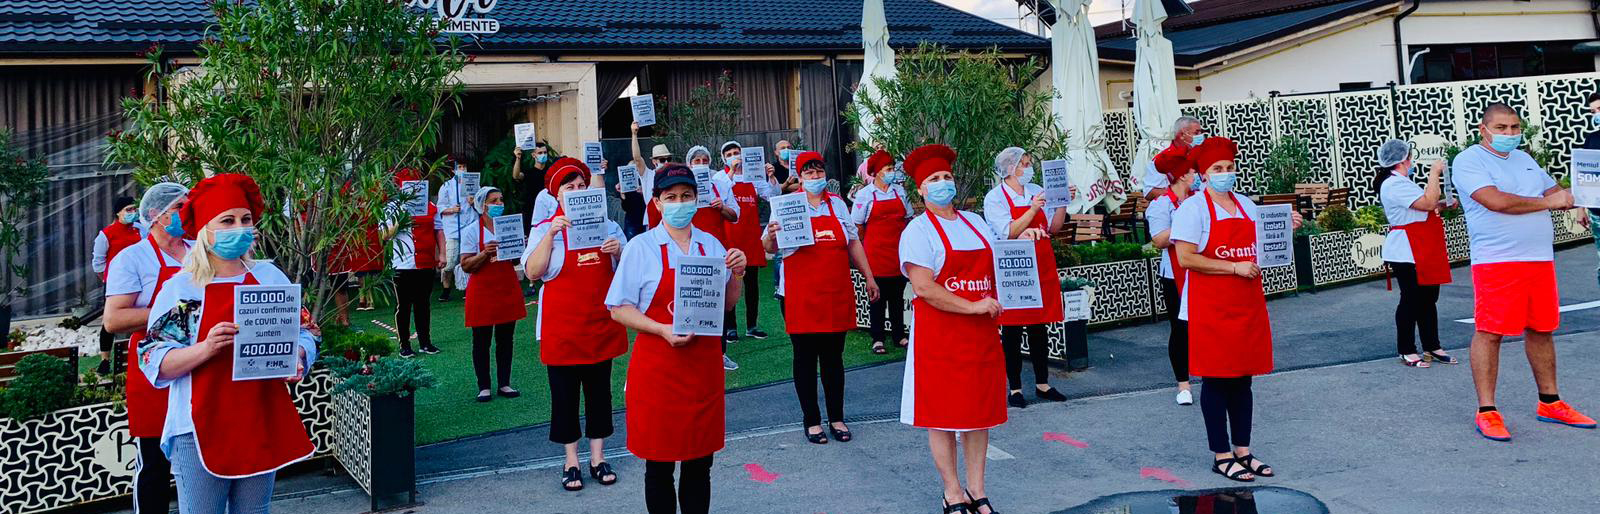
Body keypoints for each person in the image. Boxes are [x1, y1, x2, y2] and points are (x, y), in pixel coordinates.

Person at [138, 173, 318, 513]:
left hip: (259, 417)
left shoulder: (269, 277)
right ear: (205, 230)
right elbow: (153, 359)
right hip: (197, 427)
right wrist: (205, 348)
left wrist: (298, 354)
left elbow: (307, 331)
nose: (240, 227)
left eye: (245, 219)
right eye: (227, 220)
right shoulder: (183, 290)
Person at [605, 163, 747, 514]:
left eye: (686, 196)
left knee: (700, 463)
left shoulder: (710, 245)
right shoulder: (641, 247)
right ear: (656, 202)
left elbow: (727, 304)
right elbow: (618, 309)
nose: (680, 203)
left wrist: (738, 274)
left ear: (697, 199)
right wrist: (660, 329)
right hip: (658, 370)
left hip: (702, 371)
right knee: (659, 465)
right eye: (671, 197)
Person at [1452, 103, 1595, 441]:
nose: (1510, 134)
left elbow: (1555, 192)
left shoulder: (1525, 159)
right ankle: (1487, 410)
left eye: (1515, 128)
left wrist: (1583, 193)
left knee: (1542, 329)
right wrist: (1549, 202)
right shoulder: (1469, 160)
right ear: (1483, 129)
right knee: (1490, 331)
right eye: (1502, 128)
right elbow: (1496, 201)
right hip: (1497, 261)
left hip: (1539, 259)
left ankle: (1550, 402)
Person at [1171, 137, 1299, 483]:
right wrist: (1232, 267)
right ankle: (1221, 455)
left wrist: (1284, 227)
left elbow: (1263, 247)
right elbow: (1185, 258)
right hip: (1210, 306)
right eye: (1217, 169)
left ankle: (1243, 450)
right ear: (1203, 174)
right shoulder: (1192, 209)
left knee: (1243, 379)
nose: (1225, 173)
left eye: (1229, 167)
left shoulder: (1246, 205)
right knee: (1216, 380)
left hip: (1246, 303)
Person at [896, 144, 1006, 514]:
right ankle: (952, 492)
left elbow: (998, 266)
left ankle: (977, 490)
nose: (943, 183)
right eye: (934, 179)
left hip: (981, 335)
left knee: (978, 414)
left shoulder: (976, 223)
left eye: (946, 176)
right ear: (921, 189)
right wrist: (972, 305)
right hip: (940, 336)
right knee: (941, 415)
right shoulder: (917, 231)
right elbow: (924, 287)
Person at [524, 158, 628, 492]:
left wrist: (618, 251)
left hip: (598, 323)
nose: (578, 191)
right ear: (557, 195)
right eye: (570, 187)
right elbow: (532, 272)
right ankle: (571, 461)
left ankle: (598, 458)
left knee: (600, 393)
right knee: (565, 396)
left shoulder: (608, 226)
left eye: (582, 186)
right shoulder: (544, 229)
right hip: (562, 327)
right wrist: (551, 233)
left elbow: (626, 271)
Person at [761, 150, 878, 445]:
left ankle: (836, 417)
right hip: (799, 294)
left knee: (833, 358)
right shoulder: (787, 204)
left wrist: (868, 276)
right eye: (809, 172)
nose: (815, 177)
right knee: (804, 358)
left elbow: (853, 242)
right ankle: (811, 420)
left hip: (834, 292)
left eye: (819, 171)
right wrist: (771, 235)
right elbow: (768, 247)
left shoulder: (837, 204)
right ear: (800, 177)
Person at [103, 183, 187, 514]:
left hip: (199, 362)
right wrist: (175, 311)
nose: (186, 213)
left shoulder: (200, 250)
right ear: (155, 215)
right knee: (154, 462)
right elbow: (113, 319)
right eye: (179, 208)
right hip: (153, 366)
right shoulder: (132, 259)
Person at [983, 147, 1069, 409]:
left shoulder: (1036, 190)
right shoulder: (995, 198)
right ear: (1011, 169)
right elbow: (1008, 231)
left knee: (1039, 326)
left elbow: (1053, 227)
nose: (1030, 168)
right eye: (1026, 164)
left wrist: (1062, 201)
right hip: (1014, 267)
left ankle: (1043, 383)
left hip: (1041, 263)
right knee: (1012, 328)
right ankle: (1015, 387)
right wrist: (1032, 210)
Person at [1373, 139, 1455, 369]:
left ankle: (1432, 345)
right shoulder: (1393, 184)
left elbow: (1422, 206)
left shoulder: (1402, 182)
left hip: (1422, 244)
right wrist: (1434, 173)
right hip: (1406, 249)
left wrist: (1442, 204)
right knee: (1411, 299)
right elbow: (1427, 204)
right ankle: (1406, 348)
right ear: (1404, 160)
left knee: (1429, 298)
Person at [460, 186, 525, 402]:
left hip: (506, 288)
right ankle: (484, 386)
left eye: (501, 200)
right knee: (481, 340)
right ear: (483, 205)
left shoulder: (508, 227)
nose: (499, 204)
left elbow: (515, 261)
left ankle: (504, 383)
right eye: (494, 201)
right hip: (482, 291)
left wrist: (520, 246)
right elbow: (466, 265)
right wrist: (484, 253)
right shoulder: (471, 231)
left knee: (506, 339)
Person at [1147, 146, 1199, 405]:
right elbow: (1159, 240)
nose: (1196, 176)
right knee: (1180, 328)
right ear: (1182, 176)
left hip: (1201, 267)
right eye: (1193, 172)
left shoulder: (1199, 199)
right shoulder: (1162, 204)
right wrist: (1185, 222)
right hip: (1174, 273)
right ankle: (1183, 384)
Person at [850, 149, 912, 354]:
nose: (892, 172)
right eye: (888, 169)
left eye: (893, 168)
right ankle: (877, 338)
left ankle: (899, 335)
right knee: (876, 296)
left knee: (897, 295)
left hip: (897, 251)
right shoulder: (865, 194)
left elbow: (907, 217)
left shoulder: (899, 191)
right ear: (876, 172)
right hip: (875, 252)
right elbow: (857, 225)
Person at [720, 140, 778, 343]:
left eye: (737, 152)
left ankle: (752, 325)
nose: (734, 156)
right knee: (729, 282)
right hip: (729, 238)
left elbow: (772, 196)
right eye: (729, 154)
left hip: (750, 238)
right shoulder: (720, 177)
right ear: (724, 158)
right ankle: (730, 327)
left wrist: (771, 177)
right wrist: (731, 173)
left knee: (752, 284)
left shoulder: (754, 176)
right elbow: (719, 193)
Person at [384, 169, 445, 358]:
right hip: (402, 263)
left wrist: (442, 254)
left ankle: (425, 342)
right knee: (403, 306)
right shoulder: (392, 207)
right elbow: (384, 235)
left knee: (423, 304)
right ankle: (404, 344)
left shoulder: (430, 206)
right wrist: (401, 221)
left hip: (426, 262)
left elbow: (439, 230)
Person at [94, 195, 144, 374]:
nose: (133, 213)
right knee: (110, 321)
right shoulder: (106, 234)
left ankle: (138, 355)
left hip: (139, 281)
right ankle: (105, 360)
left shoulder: (140, 230)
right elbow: (98, 262)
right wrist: (108, 279)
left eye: (134, 209)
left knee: (138, 316)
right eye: (128, 210)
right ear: (118, 213)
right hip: (116, 284)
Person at [436, 160, 478, 301]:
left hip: (470, 226)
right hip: (453, 228)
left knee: (469, 258)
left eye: (464, 166)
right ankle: (446, 288)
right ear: (453, 170)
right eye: (459, 167)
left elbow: (481, 205)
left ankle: (468, 288)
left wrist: (474, 202)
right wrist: (452, 209)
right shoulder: (446, 186)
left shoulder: (474, 184)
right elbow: (440, 207)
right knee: (450, 261)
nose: (463, 169)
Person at [1142, 116, 1207, 200]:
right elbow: (1149, 193)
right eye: (1196, 133)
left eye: (1201, 133)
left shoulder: (1203, 154)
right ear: (1182, 135)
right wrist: (1180, 192)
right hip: (1177, 205)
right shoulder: (1162, 159)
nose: (1201, 136)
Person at [1580, 92, 1600, 286]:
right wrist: (1581, 207)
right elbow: (1585, 174)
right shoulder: (1592, 139)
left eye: (1599, 109)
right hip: (1597, 213)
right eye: (1593, 112)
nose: (1596, 115)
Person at [512, 141, 552, 235]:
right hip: (531, 212)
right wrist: (518, 158)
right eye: (540, 153)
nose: (543, 155)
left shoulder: (551, 172)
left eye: (545, 152)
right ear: (533, 155)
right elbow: (516, 176)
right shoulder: (529, 172)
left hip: (549, 211)